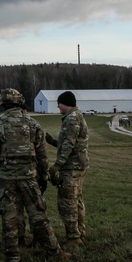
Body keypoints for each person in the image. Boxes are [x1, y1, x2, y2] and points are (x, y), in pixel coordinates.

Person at [0, 88, 70, 262]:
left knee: (9, 217)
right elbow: (42, 155)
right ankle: (53, 251)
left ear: (2, 104)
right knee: (38, 214)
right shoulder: (32, 124)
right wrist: (44, 175)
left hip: (7, 179)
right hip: (28, 177)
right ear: (19, 102)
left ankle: (13, 256)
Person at [45, 90, 89, 249]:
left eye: (59, 104)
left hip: (71, 167)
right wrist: (54, 142)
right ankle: (80, 233)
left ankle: (74, 238)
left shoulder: (71, 119)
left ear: (65, 103)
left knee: (67, 202)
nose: (58, 107)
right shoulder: (76, 117)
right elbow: (71, 143)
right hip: (77, 165)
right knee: (76, 201)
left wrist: (57, 165)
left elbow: (69, 144)